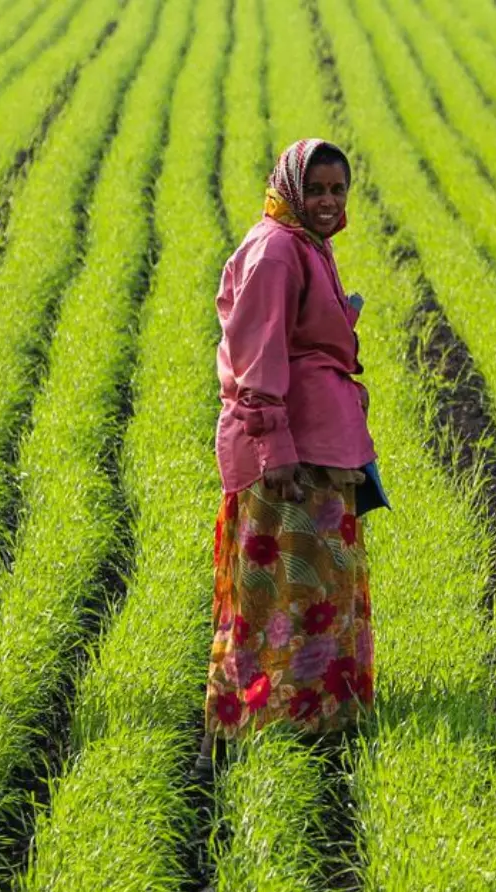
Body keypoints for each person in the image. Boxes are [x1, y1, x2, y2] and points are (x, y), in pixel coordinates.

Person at [204, 138, 379, 753]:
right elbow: (255, 358)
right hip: (290, 455)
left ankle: (315, 717)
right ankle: (261, 719)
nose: (329, 202)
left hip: (323, 445)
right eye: (318, 190)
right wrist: (273, 448)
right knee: (274, 588)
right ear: (290, 188)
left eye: (338, 190)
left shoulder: (307, 244)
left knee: (320, 584)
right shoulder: (276, 251)